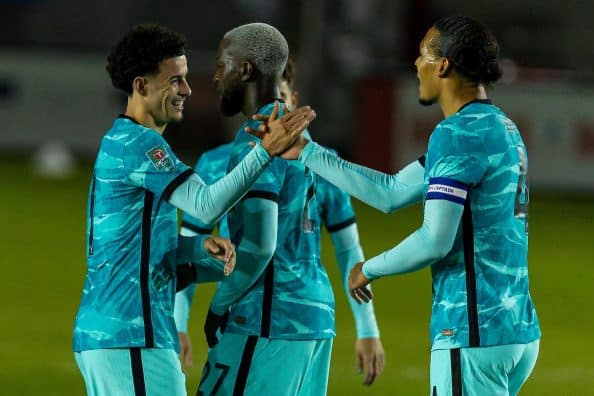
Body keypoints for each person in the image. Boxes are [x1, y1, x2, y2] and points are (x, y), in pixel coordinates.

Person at [254, 15, 541, 396]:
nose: (416, 64)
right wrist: (307, 152)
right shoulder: (501, 128)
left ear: (443, 65)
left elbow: (435, 240)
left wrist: (368, 269)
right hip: (517, 329)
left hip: (473, 330)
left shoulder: (454, 134)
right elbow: (390, 192)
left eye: (423, 55)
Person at [72, 24, 315, 396]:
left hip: (121, 333)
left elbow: (131, 248)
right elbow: (207, 203)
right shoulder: (140, 146)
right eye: (176, 81)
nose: (187, 90)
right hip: (130, 335)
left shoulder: (127, 142)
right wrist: (265, 152)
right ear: (141, 86)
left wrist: (195, 249)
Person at [174, 57, 385, 387]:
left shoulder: (317, 160)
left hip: (261, 315)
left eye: (283, 102)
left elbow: (347, 250)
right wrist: (179, 323)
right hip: (304, 315)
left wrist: (368, 328)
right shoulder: (215, 163)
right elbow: (193, 240)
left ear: (294, 102)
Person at [192, 22, 336, 396]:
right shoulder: (298, 134)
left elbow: (260, 244)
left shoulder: (261, 136)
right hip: (314, 315)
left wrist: (219, 305)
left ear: (245, 69)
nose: (216, 76)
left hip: (267, 318)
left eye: (223, 64)